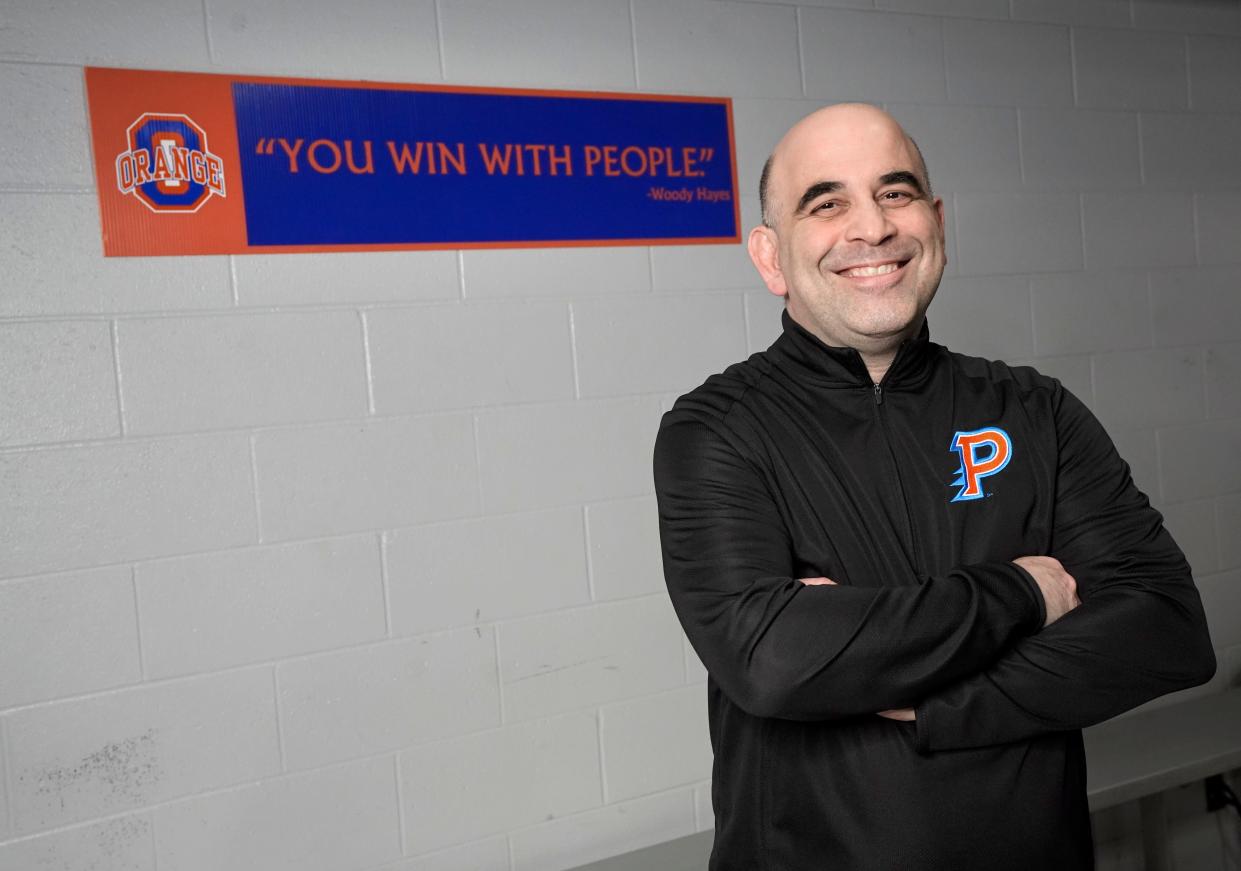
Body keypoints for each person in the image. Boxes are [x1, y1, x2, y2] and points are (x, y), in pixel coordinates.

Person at [652, 103, 1216, 870]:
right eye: (827, 203)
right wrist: (1023, 591)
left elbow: (1166, 630)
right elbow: (775, 660)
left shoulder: (1032, 409)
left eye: (895, 193)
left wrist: (939, 696)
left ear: (935, 221)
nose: (872, 228)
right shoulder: (716, 429)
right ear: (770, 255)